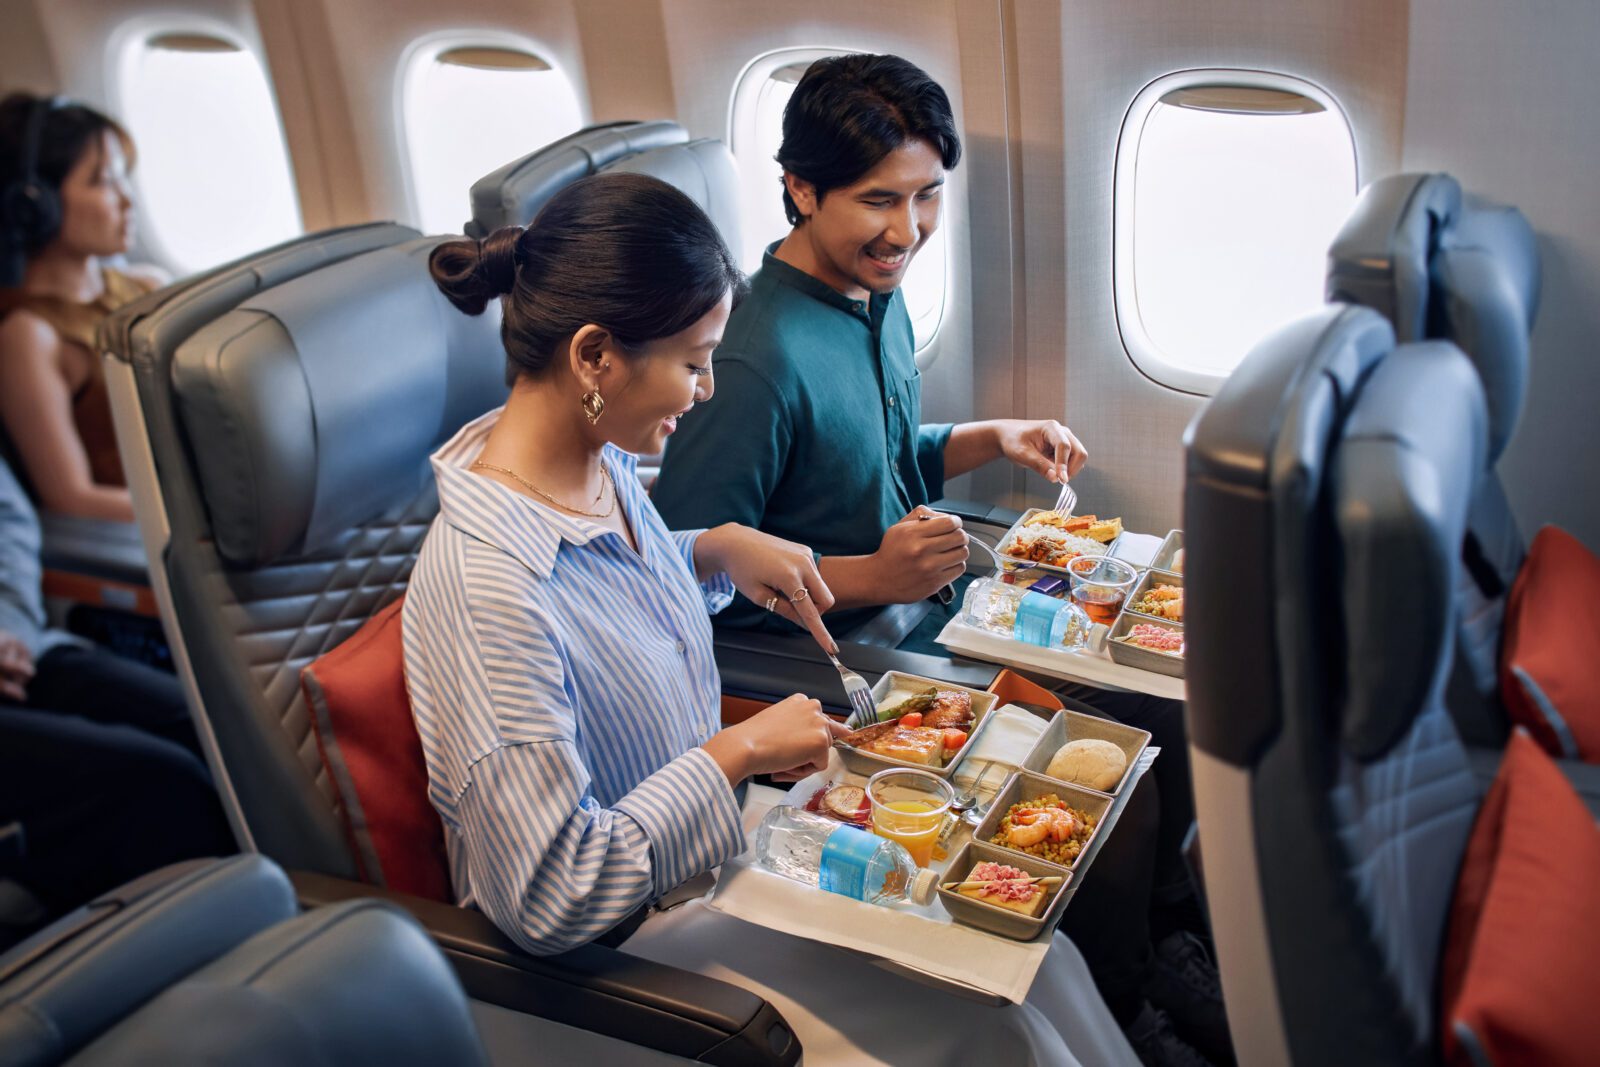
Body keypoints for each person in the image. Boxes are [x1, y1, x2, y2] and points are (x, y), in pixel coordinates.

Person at [404, 172, 1140, 1065]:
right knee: (995, 1035)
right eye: (692, 360)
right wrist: (738, 752)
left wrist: (709, 550)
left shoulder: (587, 465)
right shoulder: (488, 584)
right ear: (595, 356)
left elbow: (607, 602)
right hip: (617, 969)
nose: (710, 388)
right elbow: (550, 894)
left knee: (1030, 957)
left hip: (711, 871)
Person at [651, 54, 1225, 1065]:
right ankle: (1127, 1010)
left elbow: (874, 454)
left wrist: (989, 435)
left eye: (926, 198)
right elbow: (677, 576)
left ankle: (1168, 936)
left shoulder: (873, 296)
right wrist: (873, 575)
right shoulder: (751, 358)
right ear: (800, 187)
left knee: (1167, 683)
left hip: (926, 604)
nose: (905, 230)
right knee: (1112, 763)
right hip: (829, 653)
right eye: (878, 199)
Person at [0, 455, 232, 929]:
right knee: (163, 784)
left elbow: (7, 525)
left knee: (217, 734)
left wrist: (8, 628)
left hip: (21, 649)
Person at [0, 93, 166, 522]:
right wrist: (195, 519)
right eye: (104, 181)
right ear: (37, 203)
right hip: (149, 535)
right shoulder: (29, 335)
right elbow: (72, 497)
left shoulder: (148, 285)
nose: (127, 201)